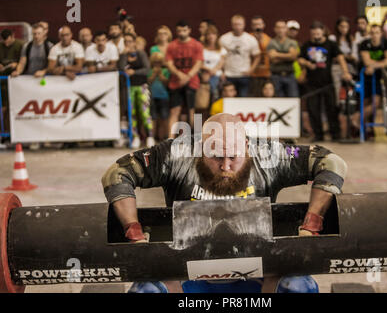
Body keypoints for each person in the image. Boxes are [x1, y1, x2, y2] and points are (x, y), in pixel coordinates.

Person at [101, 112, 347, 293]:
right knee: (147, 292)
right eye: (216, 156)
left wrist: (312, 223)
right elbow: (117, 174)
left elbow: (332, 163)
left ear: (248, 146)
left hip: (260, 275)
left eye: (234, 156)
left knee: (297, 288)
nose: (226, 166)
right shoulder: (176, 153)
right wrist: (133, 232)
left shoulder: (269, 156)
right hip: (185, 277)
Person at [298, 21, 352, 142]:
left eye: (318, 33)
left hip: (328, 82)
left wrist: (345, 72)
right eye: (313, 33)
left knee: (332, 108)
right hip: (312, 83)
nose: (316, 35)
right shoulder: (307, 45)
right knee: (313, 109)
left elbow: (340, 58)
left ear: (323, 32)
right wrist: (307, 63)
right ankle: (318, 134)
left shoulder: (330, 44)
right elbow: (300, 59)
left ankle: (335, 134)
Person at [165, 20, 203, 137]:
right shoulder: (172, 46)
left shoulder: (196, 45)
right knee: (174, 111)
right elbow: (169, 63)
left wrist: (188, 76)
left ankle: (197, 138)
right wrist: (179, 74)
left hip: (192, 82)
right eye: (179, 31)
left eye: (184, 30)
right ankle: (170, 139)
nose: (182, 33)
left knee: (192, 111)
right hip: (176, 82)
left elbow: (198, 63)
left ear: (189, 30)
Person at [118, 33, 152, 149]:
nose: (128, 43)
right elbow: (121, 68)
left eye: (130, 41)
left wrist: (134, 72)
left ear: (134, 42)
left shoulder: (141, 54)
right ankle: (135, 136)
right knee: (131, 112)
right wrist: (123, 55)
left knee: (144, 112)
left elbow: (147, 69)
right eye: (125, 41)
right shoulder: (123, 55)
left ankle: (149, 136)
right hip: (129, 87)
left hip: (141, 86)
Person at [358, 24, 387, 135]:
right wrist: (379, 64)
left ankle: (357, 118)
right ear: (369, 34)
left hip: (378, 78)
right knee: (366, 102)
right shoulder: (364, 44)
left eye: (377, 32)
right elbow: (366, 61)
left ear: (381, 34)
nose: (374, 35)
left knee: (375, 103)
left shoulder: (385, 43)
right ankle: (365, 130)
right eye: (372, 33)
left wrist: (373, 66)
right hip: (365, 77)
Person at [220, 15, 261, 97]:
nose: (237, 27)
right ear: (232, 25)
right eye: (235, 24)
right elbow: (220, 57)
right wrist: (222, 72)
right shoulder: (224, 38)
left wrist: (251, 70)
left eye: (239, 24)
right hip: (229, 75)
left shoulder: (250, 39)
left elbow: (257, 56)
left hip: (244, 75)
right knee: (229, 101)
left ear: (244, 25)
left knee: (243, 99)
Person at [266, 20, 299, 97]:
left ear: (286, 29)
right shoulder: (271, 42)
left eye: (282, 27)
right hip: (276, 75)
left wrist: (277, 54)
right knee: (278, 100)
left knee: (293, 98)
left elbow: (293, 57)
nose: (280, 30)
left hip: (290, 75)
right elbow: (272, 58)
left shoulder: (292, 42)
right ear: (274, 29)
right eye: (278, 27)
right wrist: (288, 55)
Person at [329, 17, 357, 103]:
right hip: (336, 67)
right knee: (336, 84)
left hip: (350, 67)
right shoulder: (332, 39)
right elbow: (331, 56)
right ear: (337, 27)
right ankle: (337, 105)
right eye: (342, 26)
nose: (344, 29)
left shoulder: (352, 40)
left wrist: (341, 56)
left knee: (352, 82)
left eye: (346, 27)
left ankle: (351, 105)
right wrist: (344, 56)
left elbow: (354, 57)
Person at [148, 52, 170, 142]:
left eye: (159, 62)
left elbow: (167, 83)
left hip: (164, 97)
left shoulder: (165, 71)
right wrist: (154, 74)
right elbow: (148, 81)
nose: (157, 64)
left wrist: (160, 74)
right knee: (153, 117)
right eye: (155, 62)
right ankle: (153, 136)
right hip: (152, 96)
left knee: (164, 118)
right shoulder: (150, 71)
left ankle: (164, 137)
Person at [202, 25, 226, 101]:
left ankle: (214, 108)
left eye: (213, 34)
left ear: (216, 36)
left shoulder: (221, 49)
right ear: (205, 36)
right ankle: (198, 113)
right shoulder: (201, 48)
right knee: (201, 100)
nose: (211, 36)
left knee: (216, 92)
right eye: (208, 34)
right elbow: (199, 63)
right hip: (204, 75)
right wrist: (209, 71)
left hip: (217, 75)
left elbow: (221, 62)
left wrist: (213, 71)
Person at [250, 15, 272, 96]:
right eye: (255, 24)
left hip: (265, 74)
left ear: (263, 25)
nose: (257, 27)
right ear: (252, 26)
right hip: (252, 74)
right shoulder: (248, 38)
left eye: (259, 24)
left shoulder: (268, 39)